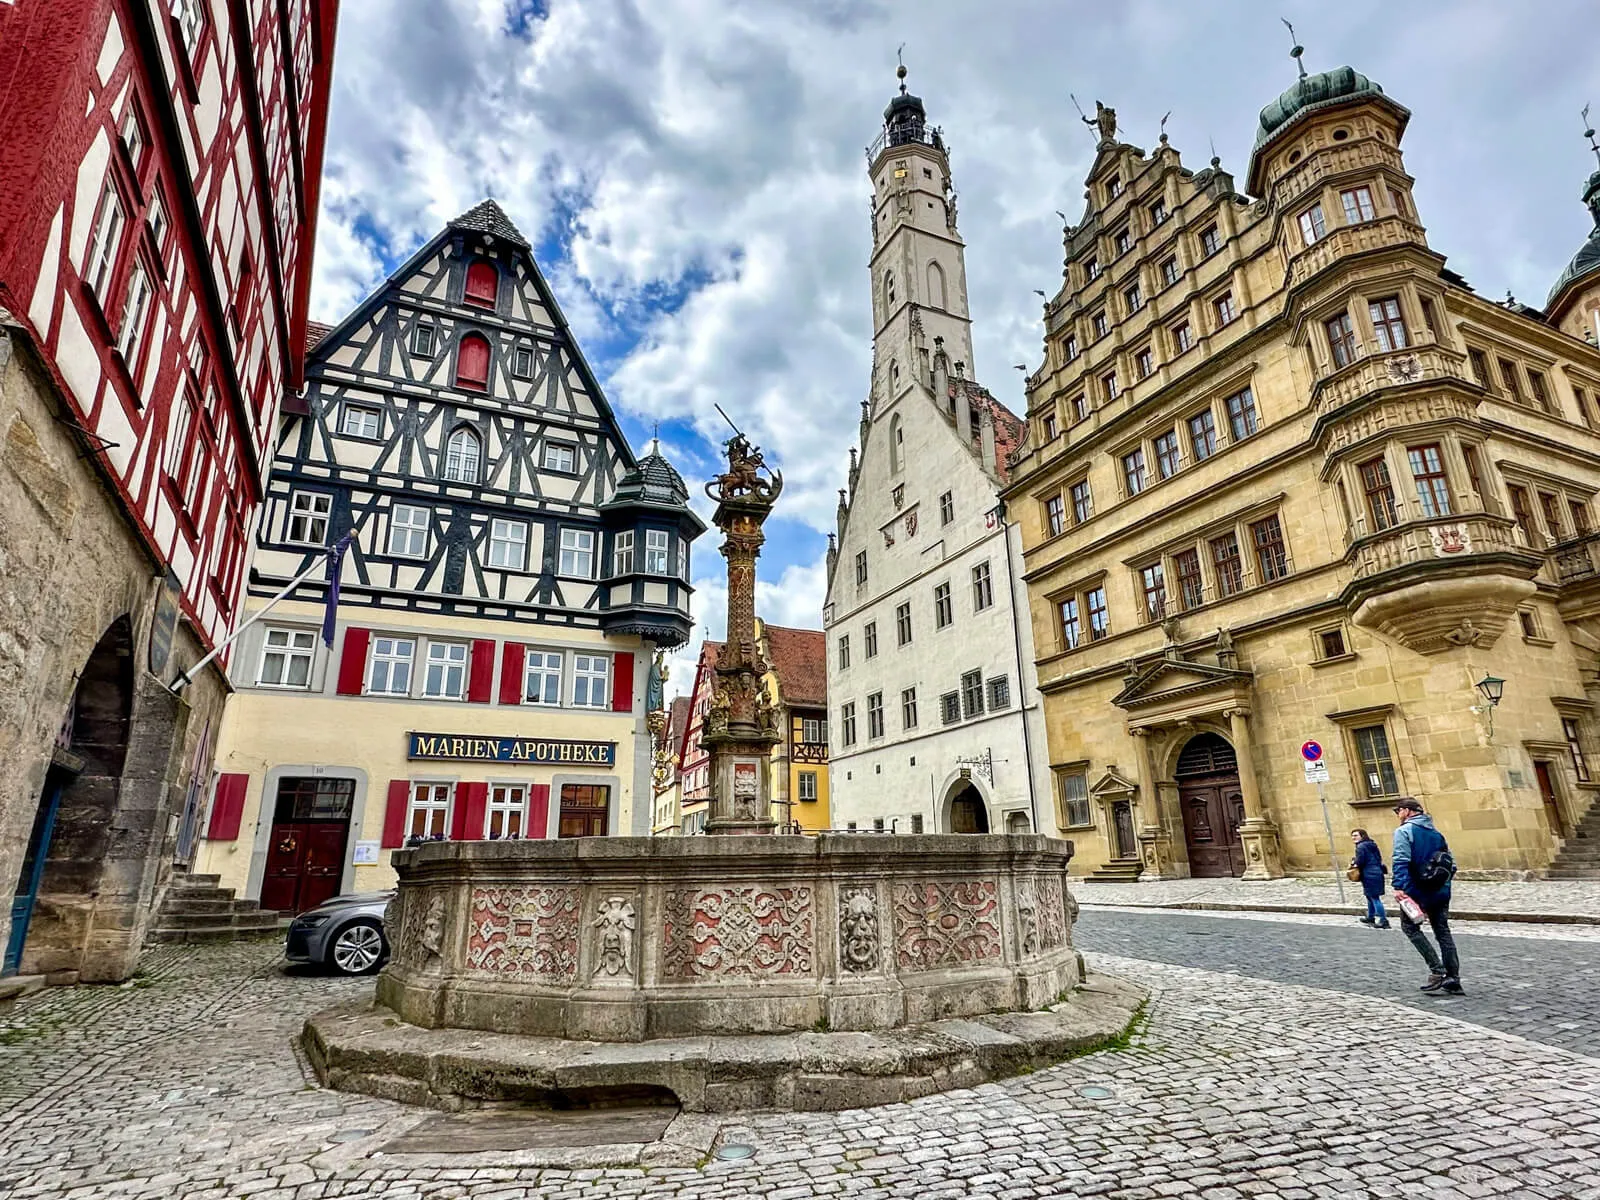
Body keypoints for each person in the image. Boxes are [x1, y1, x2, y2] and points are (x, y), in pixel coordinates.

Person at [1391, 798, 1462, 995]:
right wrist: (1442, 884)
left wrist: (1398, 887)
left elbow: (1401, 860)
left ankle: (1437, 970)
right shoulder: (1436, 833)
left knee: (1410, 928)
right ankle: (1453, 978)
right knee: (1442, 931)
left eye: (1398, 810)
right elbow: (1451, 864)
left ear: (1407, 811)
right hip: (1441, 891)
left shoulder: (1404, 831)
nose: (1398, 814)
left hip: (1416, 891)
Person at [1350, 829, 1390, 928]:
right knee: (1369, 896)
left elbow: (1361, 861)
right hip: (1377, 871)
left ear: (1362, 836)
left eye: (1356, 835)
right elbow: (1378, 858)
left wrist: (1354, 863)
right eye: (1352, 836)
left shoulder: (1360, 846)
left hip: (1369, 873)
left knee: (1374, 897)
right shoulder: (1372, 844)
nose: (1353, 838)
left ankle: (1383, 920)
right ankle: (1370, 917)